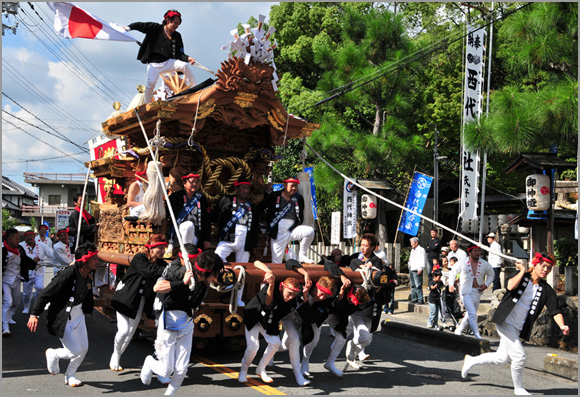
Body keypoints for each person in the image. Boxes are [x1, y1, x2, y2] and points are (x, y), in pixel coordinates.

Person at [461, 253, 570, 395]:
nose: (545, 270)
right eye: (543, 266)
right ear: (535, 264)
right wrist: (523, 271)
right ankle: (518, 388)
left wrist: (562, 325)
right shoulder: (521, 276)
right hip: (505, 321)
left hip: (518, 327)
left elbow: (555, 310)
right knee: (519, 356)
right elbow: (510, 286)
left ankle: (471, 361)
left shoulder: (546, 289)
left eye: (548, 268)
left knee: (501, 358)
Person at [140, 247, 223, 395]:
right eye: (216, 273)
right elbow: (157, 287)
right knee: (167, 369)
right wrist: (182, 282)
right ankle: (149, 362)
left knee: (182, 369)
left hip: (186, 323)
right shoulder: (179, 271)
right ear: (209, 272)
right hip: (169, 321)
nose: (217, 277)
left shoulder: (204, 283)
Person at [27, 243, 99, 387]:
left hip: (78, 316)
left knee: (83, 349)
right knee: (75, 351)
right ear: (85, 260)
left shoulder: (87, 274)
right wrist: (34, 314)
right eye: (94, 259)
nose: (97, 261)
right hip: (63, 316)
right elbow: (45, 294)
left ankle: (70, 375)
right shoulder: (68, 274)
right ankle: (53, 354)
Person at [109, 234, 168, 372]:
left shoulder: (162, 264)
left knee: (130, 332)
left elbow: (166, 274)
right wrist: (168, 270)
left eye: (164, 248)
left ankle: (118, 354)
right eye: (159, 247)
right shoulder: (139, 258)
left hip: (141, 300)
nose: (163, 251)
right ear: (151, 248)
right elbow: (148, 271)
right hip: (126, 297)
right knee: (123, 330)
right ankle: (116, 354)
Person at [238, 261, 302, 384]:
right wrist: (269, 273)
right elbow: (256, 262)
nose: (291, 297)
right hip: (255, 315)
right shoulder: (273, 284)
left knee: (275, 343)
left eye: (294, 295)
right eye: (289, 293)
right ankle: (243, 370)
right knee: (253, 347)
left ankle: (261, 368)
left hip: (269, 319)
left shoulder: (292, 300)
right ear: (283, 287)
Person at [126, 9, 197, 103]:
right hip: (154, 64)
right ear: (168, 21)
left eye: (178, 24)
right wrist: (127, 28)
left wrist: (188, 58)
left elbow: (180, 54)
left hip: (168, 62)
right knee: (150, 84)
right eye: (175, 23)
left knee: (183, 65)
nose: (177, 26)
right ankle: (147, 105)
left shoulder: (177, 36)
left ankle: (196, 88)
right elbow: (140, 25)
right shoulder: (155, 28)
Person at [344, 233, 389, 370]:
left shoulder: (376, 261)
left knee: (367, 339)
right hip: (357, 303)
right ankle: (349, 348)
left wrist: (369, 267)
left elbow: (378, 271)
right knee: (362, 335)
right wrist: (362, 266)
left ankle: (352, 351)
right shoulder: (356, 259)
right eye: (361, 245)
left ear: (373, 247)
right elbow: (353, 264)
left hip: (371, 304)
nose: (363, 248)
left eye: (366, 245)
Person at [256, 177, 315, 263]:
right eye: (292, 186)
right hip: (277, 231)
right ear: (284, 185)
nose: (294, 188)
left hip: (292, 229)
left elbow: (300, 215)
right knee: (277, 262)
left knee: (309, 231)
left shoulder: (298, 198)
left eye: (295, 186)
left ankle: (302, 255)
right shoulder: (274, 196)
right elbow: (260, 208)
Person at [297, 276, 340, 379]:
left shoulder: (324, 301)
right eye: (321, 294)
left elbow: (309, 318)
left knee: (314, 340)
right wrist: (305, 274)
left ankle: (304, 361)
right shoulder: (304, 287)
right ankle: (271, 355)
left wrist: (306, 299)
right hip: (294, 316)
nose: (322, 298)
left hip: (311, 316)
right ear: (316, 288)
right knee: (286, 344)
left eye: (325, 296)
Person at [449, 245, 494, 339]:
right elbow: (453, 273)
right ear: (469, 252)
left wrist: (486, 285)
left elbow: (491, 274)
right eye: (475, 251)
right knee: (473, 313)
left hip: (477, 291)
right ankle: (478, 336)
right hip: (465, 291)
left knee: (470, 313)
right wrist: (451, 285)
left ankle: (459, 329)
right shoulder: (462, 263)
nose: (477, 252)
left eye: (478, 251)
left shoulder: (485, 264)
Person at [213, 179, 257, 264]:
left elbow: (255, 226)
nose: (246, 191)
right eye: (243, 188)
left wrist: (253, 245)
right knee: (217, 258)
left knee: (242, 265)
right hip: (228, 237)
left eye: (248, 188)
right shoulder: (226, 200)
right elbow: (215, 214)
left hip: (245, 239)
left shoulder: (252, 206)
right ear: (237, 189)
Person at [166, 173, 211, 253]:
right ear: (184, 183)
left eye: (197, 182)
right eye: (192, 182)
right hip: (179, 233)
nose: (194, 184)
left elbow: (206, 220)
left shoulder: (202, 199)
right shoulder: (175, 198)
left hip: (196, 233)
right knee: (188, 225)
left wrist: (206, 239)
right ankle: (186, 252)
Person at [2, 229, 35, 336]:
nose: (18, 240)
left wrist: (34, 263)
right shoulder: (3, 251)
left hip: (16, 280)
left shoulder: (19, 249)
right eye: (16, 238)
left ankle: (9, 316)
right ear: (9, 239)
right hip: (5, 280)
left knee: (16, 302)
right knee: (8, 302)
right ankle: (5, 327)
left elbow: (25, 260)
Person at [20, 230, 51, 315]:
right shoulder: (20, 246)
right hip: (27, 273)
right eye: (27, 236)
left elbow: (50, 253)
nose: (29, 238)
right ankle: (26, 307)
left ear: (34, 237)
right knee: (26, 293)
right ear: (24, 238)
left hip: (39, 271)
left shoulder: (41, 245)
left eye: (31, 236)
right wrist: (32, 259)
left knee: (40, 288)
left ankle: (36, 306)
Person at [408, 236, 426, 304]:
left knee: (418, 284)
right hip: (411, 268)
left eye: (412, 242)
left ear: (416, 242)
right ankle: (414, 298)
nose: (411, 244)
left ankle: (420, 298)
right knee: (412, 285)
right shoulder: (413, 250)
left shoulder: (421, 249)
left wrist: (420, 268)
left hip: (417, 269)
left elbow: (423, 259)